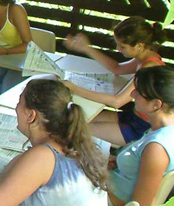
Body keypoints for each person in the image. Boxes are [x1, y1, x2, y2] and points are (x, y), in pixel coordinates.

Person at [63, 16, 166, 147]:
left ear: (139, 46)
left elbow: (117, 102)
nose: (118, 49)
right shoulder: (145, 57)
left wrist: (74, 88)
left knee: (77, 130)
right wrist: (86, 48)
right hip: (135, 117)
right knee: (78, 119)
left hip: (146, 128)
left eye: (122, 46)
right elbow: (116, 68)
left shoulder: (149, 67)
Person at [109, 65, 174, 206]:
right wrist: (120, 163)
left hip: (112, 203)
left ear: (156, 104)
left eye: (139, 92)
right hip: (113, 187)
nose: (133, 94)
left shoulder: (157, 148)